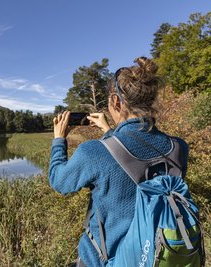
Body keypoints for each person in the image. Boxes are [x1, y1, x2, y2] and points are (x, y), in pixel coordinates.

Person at [49, 57, 189, 267]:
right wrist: (110, 132)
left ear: (115, 101)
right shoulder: (178, 148)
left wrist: (59, 140)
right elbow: (136, 163)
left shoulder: (93, 152)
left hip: (105, 261)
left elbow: (59, 182)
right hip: (159, 254)